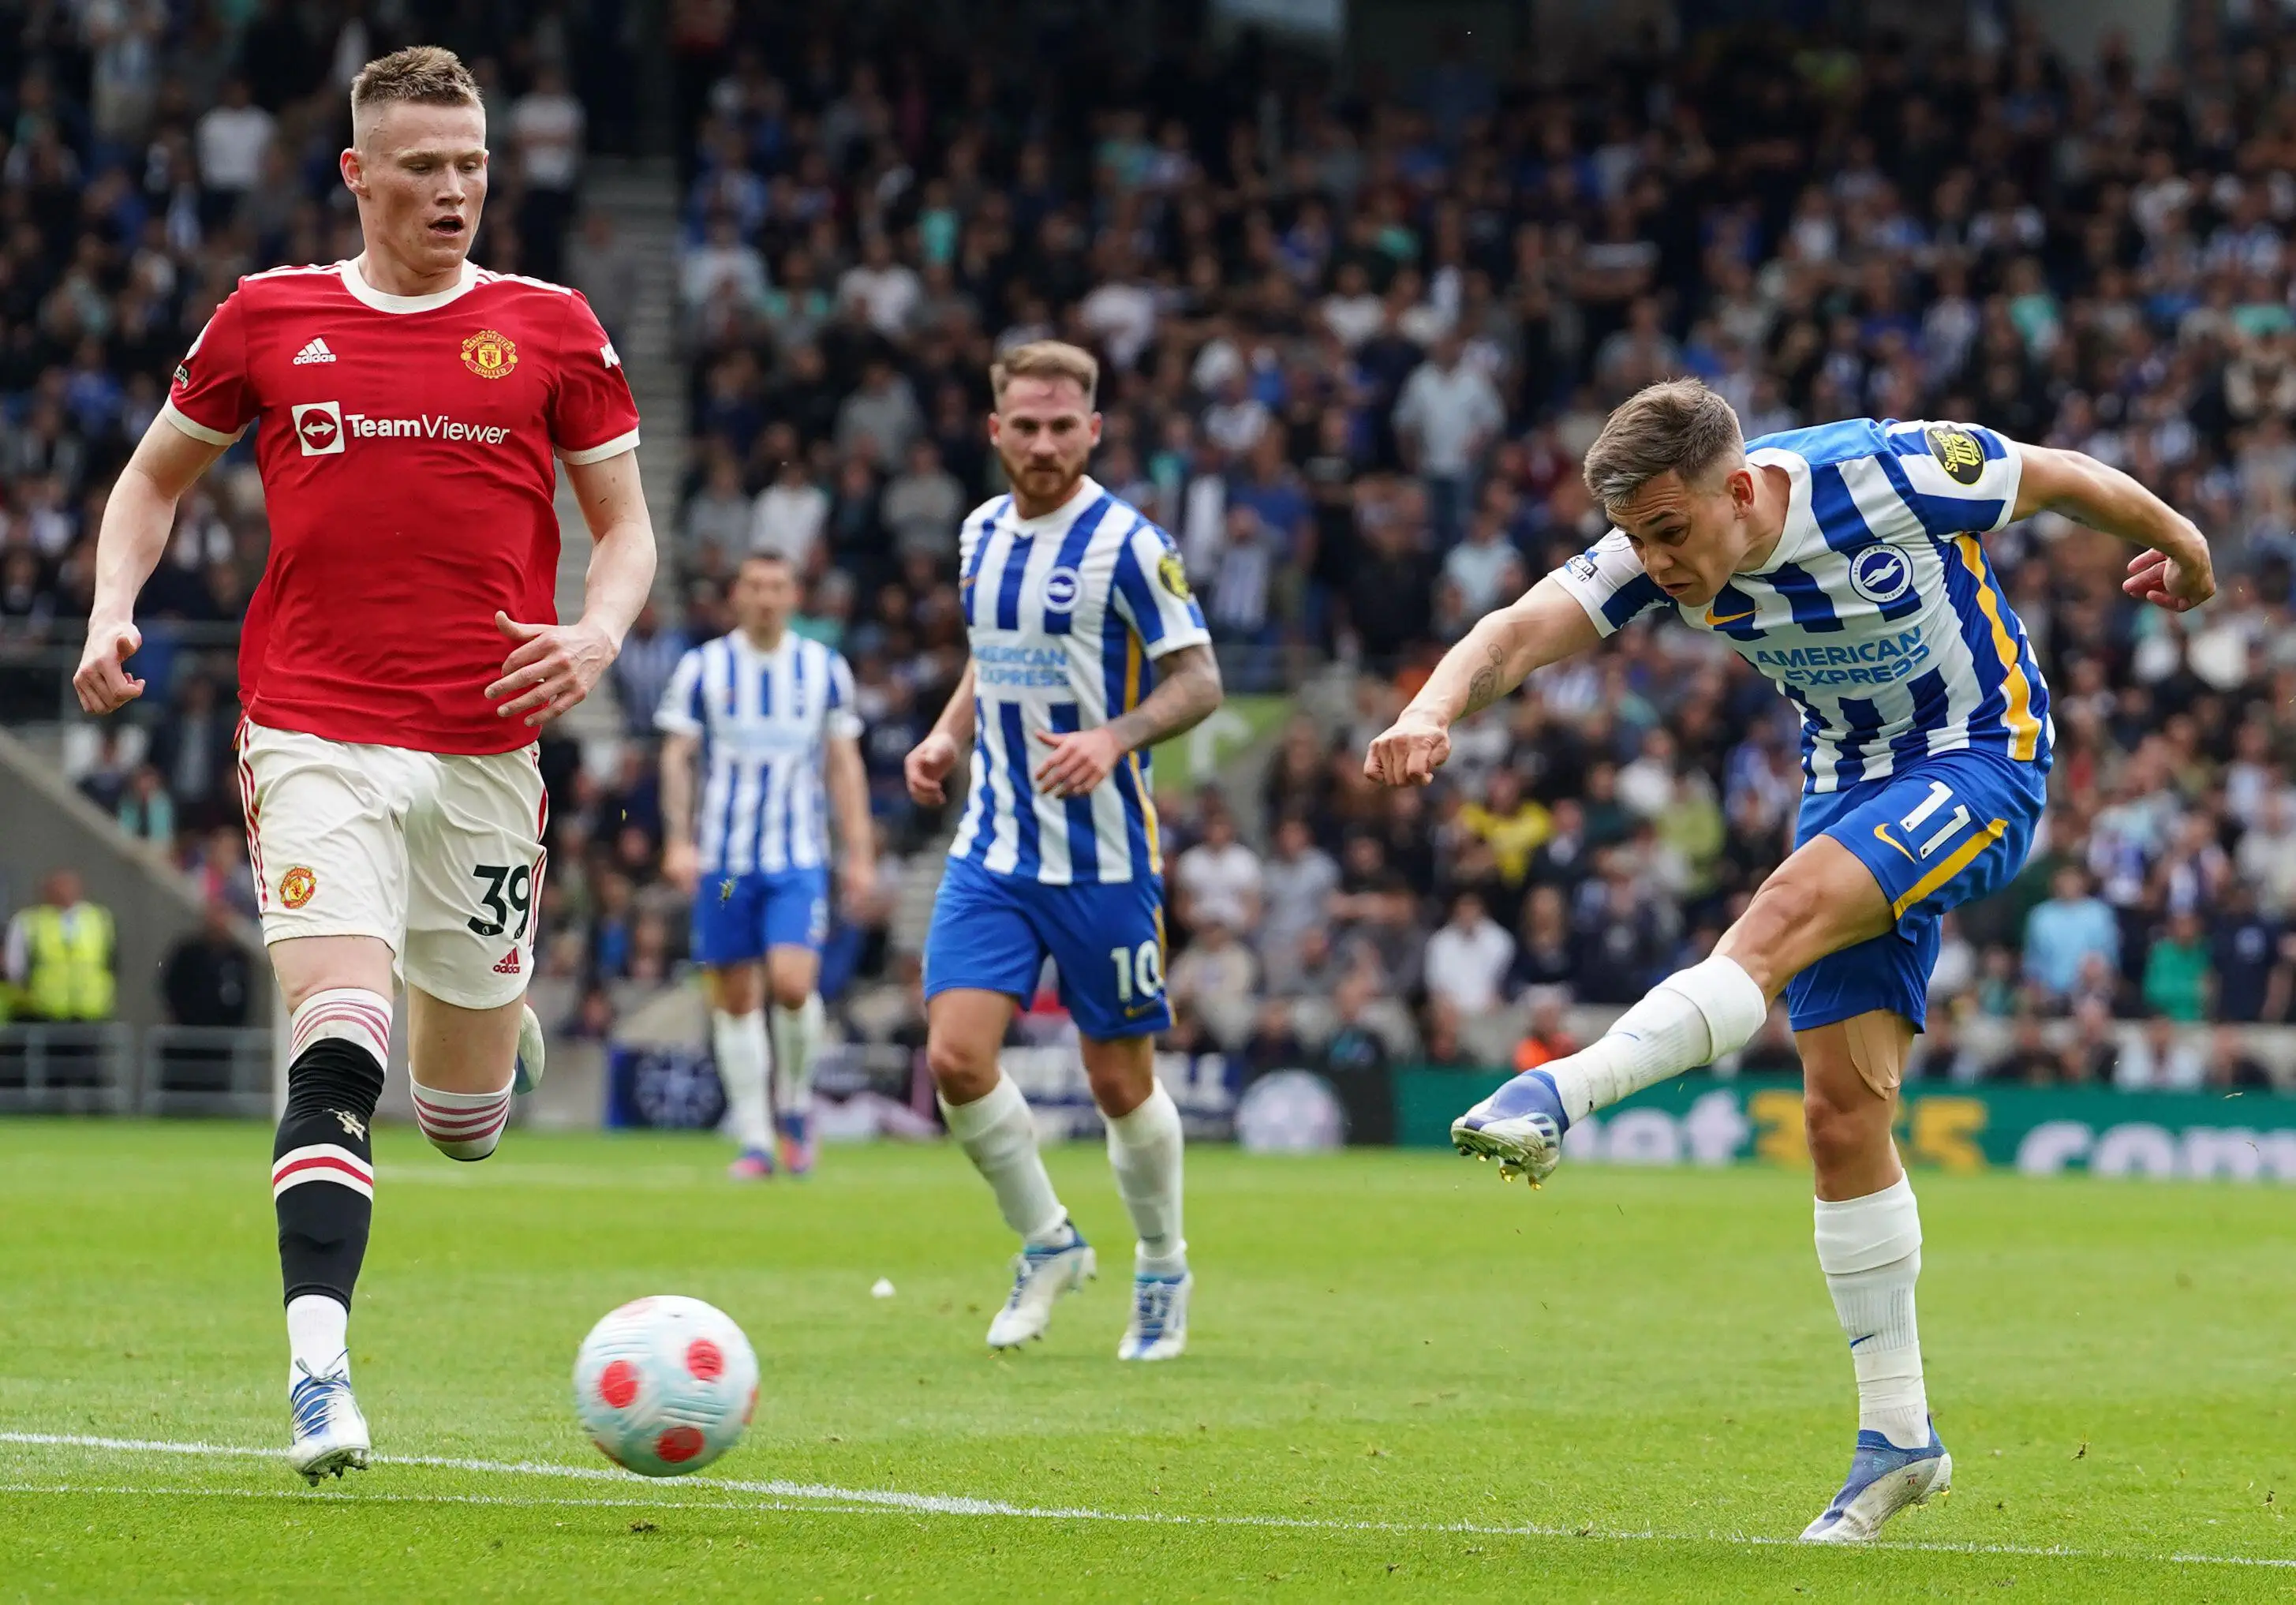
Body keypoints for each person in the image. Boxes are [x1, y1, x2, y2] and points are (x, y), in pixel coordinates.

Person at [1365, 377, 2213, 1542]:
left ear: (1739, 488)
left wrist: (2182, 542)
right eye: (1635, 539)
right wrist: (1430, 709)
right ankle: (1900, 1439)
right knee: (1839, 1117)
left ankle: (1561, 1091)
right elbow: (1515, 632)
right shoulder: (1654, 549)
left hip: (1980, 756)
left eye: (1670, 532)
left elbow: (2060, 475)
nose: (1656, 562)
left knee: (1774, 918)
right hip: (1847, 788)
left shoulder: (1887, 470)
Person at [71, 47, 653, 1486]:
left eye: (472, 165)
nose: (455, 189)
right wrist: (110, 606)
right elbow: (151, 478)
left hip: (486, 751)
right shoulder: (270, 317)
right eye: (424, 166)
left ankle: (493, 1025)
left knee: (462, 1124)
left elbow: (627, 529)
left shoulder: (552, 328)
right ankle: (318, 1364)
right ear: (358, 173)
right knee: (338, 1035)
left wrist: (597, 632)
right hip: (314, 729)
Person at [903, 341, 1222, 1361]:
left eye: (1061, 427)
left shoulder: (1129, 544)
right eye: (1026, 427)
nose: (1043, 444)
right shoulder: (979, 532)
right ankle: (1048, 1240)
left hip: (1105, 860)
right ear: (996, 430)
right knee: (955, 1058)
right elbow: (989, 655)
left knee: (1119, 1083)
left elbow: (1200, 679)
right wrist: (947, 735)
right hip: (994, 847)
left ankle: (1162, 1265)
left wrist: (1113, 738)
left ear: (1092, 430)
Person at [657, 552, 874, 1180]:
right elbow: (677, 757)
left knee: (793, 983)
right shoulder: (704, 666)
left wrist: (860, 853)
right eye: (754, 586)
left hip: (797, 857)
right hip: (726, 864)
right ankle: (755, 1138)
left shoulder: (823, 668)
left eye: (777, 587)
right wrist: (678, 841)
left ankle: (796, 1107)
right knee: (733, 998)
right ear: (737, 595)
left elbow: (844, 764)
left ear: (794, 596)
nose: (765, 597)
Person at [2, 870, 115, 1023]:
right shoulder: (29, 921)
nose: (65, 892)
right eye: (59, 887)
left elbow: (112, 960)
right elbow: (15, 967)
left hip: (93, 1011)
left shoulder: (99, 918)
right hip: (42, 1011)